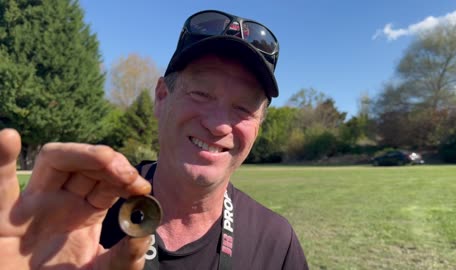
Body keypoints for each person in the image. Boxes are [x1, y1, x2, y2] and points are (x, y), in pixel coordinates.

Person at [0, 9, 308, 270]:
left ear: (258, 126)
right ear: (162, 98)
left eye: (243, 108)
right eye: (201, 93)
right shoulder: (75, 220)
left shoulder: (275, 243)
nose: (217, 125)